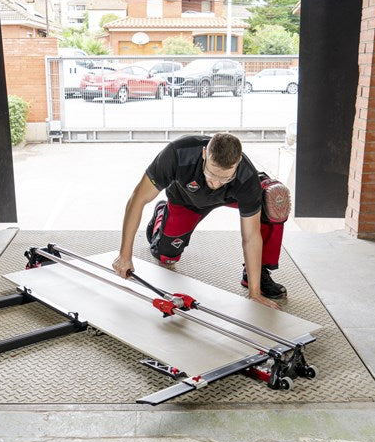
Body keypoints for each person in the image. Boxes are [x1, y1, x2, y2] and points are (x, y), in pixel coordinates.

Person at [112, 132, 290, 310]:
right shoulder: (178, 153)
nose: (216, 184)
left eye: (225, 177)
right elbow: (137, 200)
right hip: (186, 199)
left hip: (230, 197)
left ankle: (258, 274)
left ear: (237, 163)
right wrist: (125, 255)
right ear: (204, 154)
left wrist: (255, 293)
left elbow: (250, 237)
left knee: (274, 199)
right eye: (211, 174)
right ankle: (161, 215)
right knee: (166, 257)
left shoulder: (246, 176)